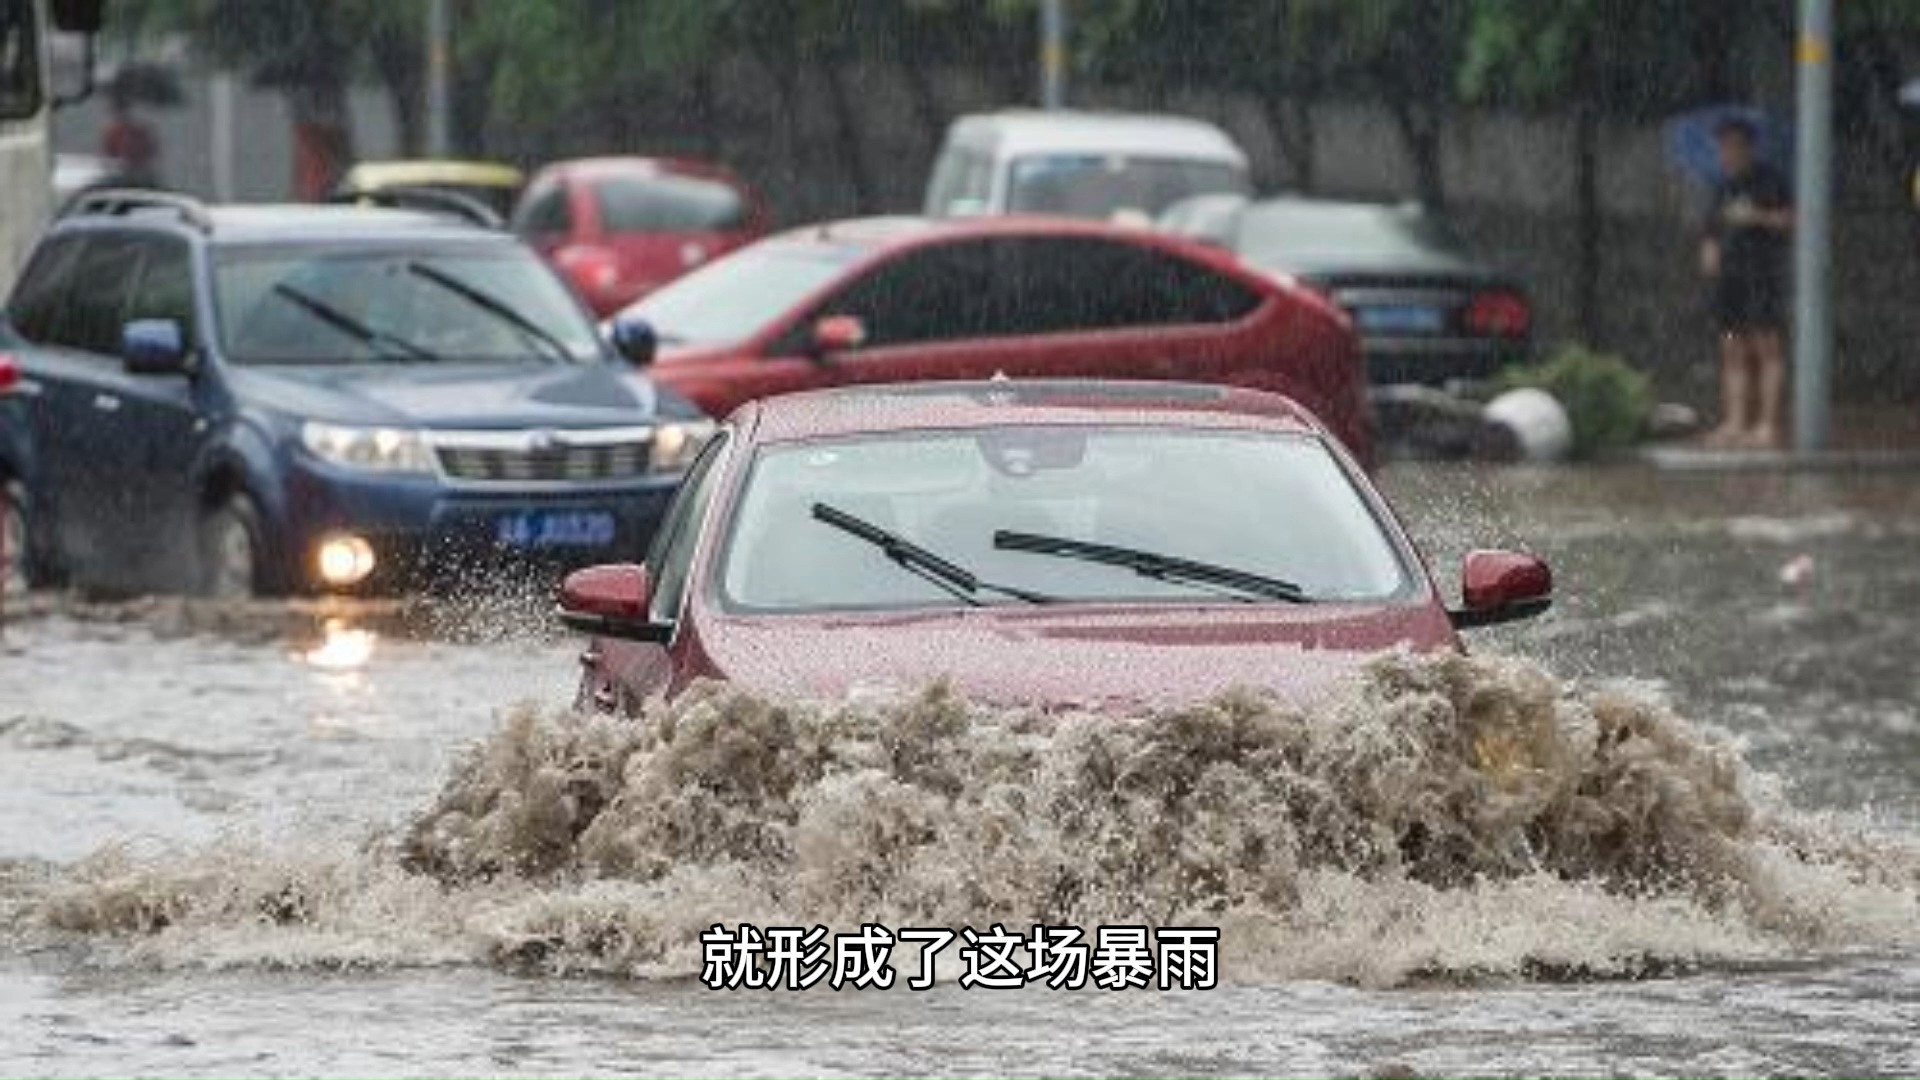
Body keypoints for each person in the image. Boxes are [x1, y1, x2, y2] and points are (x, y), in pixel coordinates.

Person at [1699, 116, 1794, 449]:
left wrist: (1756, 216)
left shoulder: (1769, 180)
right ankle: (1734, 421)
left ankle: (1767, 424)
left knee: (1767, 347)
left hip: (1762, 276)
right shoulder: (1720, 185)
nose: (1727, 151)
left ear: (1748, 147)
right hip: (1729, 282)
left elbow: (1790, 219)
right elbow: (1710, 227)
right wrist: (1709, 251)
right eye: (1722, 145)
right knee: (1731, 348)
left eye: (1733, 144)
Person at [99, 83, 159, 188]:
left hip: (137, 174)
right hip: (120, 174)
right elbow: (108, 155)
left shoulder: (140, 131)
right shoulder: (114, 132)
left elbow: (150, 152)